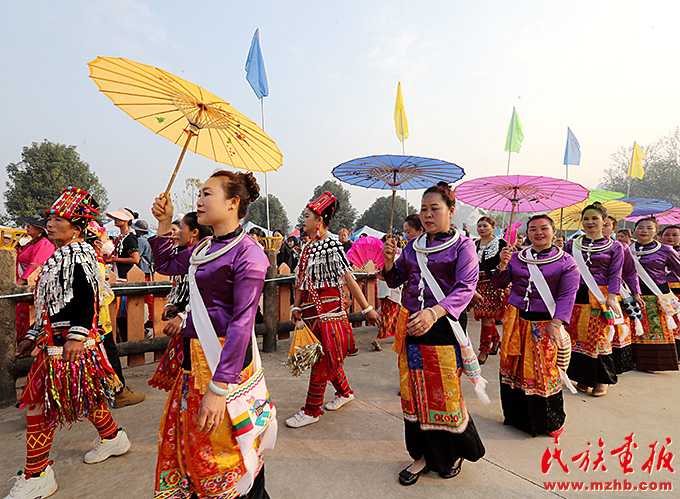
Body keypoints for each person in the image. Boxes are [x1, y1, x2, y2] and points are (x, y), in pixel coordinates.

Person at [150, 171, 272, 498]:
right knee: (193, 441)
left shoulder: (249, 253)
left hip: (224, 362)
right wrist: (164, 224)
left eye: (207, 194)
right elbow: (166, 264)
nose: (199, 201)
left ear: (233, 203)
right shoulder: (205, 247)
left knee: (228, 448)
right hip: (193, 359)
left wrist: (219, 388)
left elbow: (242, 323)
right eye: (200, 194)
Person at [8, 187, 130, 499]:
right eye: (50, 218)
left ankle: (37, 474)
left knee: (41, 403)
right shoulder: (60, 257)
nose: (50, 223)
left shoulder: (79, 257)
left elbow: (87, 300)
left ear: (76, 229)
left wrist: (76, 336)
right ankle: (113, 437)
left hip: (69, 345)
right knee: (85, 396)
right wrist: (32, 336)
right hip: (55, 342)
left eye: (58, 219)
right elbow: (51, 303)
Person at [382, 182, 485, 485]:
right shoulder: (412, 246)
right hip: (413, 325)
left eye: (434, 208)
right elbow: (395, 278)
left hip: (444, 326)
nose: (427, 214)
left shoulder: (463, 246)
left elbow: (466, 288)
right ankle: (421, 455)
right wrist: (389, 260)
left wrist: (433, 312)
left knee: (443, 394)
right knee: (414, 393)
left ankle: (451, 453)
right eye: (423, 209)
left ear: (451, 211)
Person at [286, 191, 380, 428]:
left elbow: (348, 278)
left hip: (330, 315)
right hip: (311, 313)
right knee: (328, 358)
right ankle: (345, 392)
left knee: (321, 361)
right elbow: (301, 281)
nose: (303, 220)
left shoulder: (331, 244)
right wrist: (296, 305)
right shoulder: (306, 248)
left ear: (319, 220)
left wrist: (367, 308)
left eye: (307, 216)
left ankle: (311, 410)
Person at [493, 214, 580, 437]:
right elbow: (500, 284)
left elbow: (568, 295)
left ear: (553, 231)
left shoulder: (566, 262)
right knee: (514, 367)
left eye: (543, 228)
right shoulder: (516, 257)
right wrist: (502, 265)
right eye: (533, 229)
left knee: (544, 371)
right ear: (528, 233)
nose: (538, 233)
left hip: (545, 322)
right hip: (516, 320)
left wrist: (557, 322)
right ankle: (515, 416)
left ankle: (549, 421)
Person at [83, 221, 146, 409]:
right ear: (96, 243)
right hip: (97, 320)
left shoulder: (83, 257)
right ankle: (119, 393)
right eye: (105, 238)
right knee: (108, 353)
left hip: (85, 320)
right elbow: (102, 293)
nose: (108, 241)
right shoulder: (95, 262)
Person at [563, 203, 623, 397]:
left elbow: (616, 273)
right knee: (578, 338)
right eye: (586, 219)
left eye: (594, 218)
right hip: (575, 295)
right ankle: (582, 377)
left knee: (598, 338)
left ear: (604, 221)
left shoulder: (616, 247)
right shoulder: (572, 244)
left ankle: (601, 379)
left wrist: (612, 297)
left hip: (601, 297)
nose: (590, 222)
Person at [150, 212, 213, 392]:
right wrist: (177, 306)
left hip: (209, 328)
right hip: (194, 324)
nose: (176, 233)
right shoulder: (197, 250)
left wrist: (185, 315)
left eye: (181, 228)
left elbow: (210, 294)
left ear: (194, 232)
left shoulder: (210, 250)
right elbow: (165, 266)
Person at [630, 218, 680, 371]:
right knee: (635, 329)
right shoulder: (626, 249)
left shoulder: (665, 250)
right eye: (641, 228)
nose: (644, 231)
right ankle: (633, 361)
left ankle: (655, 363)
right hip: (633, 295)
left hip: (657, 295)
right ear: (634, 231)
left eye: (649, 228)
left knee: (656, 330)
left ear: (656, 232)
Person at [603, 216, 642, 374]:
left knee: (615, 328)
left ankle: (613, 368)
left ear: (613, 229)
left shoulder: (620, 247)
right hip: (585, 293)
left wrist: (636, 292)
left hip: (615, 292)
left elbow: (630, 272)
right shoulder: (576, 245)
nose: (602, 227)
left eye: (607, 225)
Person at [472, 216, 508, 364]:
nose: (481, 229)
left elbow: (506, 265)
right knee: (485, 316)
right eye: (479, 226)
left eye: (485, 226)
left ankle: (483, 350)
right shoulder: (474, 244)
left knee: (486, 318)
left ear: (493, 227)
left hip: (493, 285)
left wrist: (504, 260)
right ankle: (496, 341)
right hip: (478, 285)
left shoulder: (501, 243)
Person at [15, 215, 55, 340]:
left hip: (28, 284)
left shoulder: (45, 244)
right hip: (22, 281)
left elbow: (34, 268)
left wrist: (18, 284)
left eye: (30, 225)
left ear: (40, 229)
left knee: (26, 317)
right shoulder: (34, 242)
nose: (27, 227)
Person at [106, 207, 140, 343]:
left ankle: (131, 339)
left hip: (125, 278)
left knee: (124, 315)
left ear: (127, 220)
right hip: (119, 276)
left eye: (119, 218)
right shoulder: (121, 237)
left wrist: (114, 259)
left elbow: (135, 259)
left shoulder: (130, 238)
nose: (115, 220)